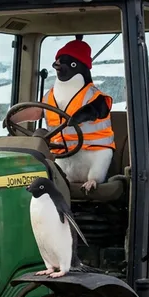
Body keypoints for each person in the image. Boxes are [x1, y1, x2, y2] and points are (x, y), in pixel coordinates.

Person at [42, 39, 115, 192]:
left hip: (94, 152)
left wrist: (83, 115)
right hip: (65, 154)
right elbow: (36, 110)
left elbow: (99, 109)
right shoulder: (49, 96)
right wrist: (15, 116)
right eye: (59, 62)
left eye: (71, 64)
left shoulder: (94, 96)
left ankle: (93, 180)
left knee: (104, 155)